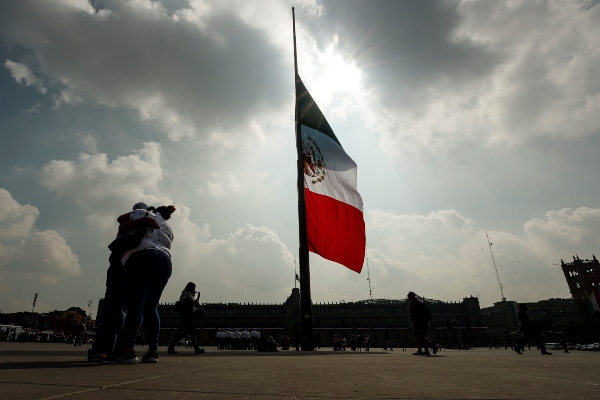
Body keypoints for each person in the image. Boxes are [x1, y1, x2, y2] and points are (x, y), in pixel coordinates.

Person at [104, 205, 176, 364]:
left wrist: (143, 218)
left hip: (141, 257)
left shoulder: (146, 213)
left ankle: (127, 350)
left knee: (135, 304)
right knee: (151, 307)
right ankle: (152, 352)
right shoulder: (169, 228)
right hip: (165, 261)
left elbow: (121, 221)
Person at [168, 282, 205, 355]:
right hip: (185, 316)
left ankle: (171, 347)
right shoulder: (185, 294)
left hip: (189, 316)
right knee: (185, 333)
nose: (194, 290)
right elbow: (183, 303)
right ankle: (196, 349)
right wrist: (193, 302)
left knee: (187, 333)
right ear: (190, 288)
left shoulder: (190, 295)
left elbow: (192, 309)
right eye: (193, 288)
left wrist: (198, 309)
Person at [408, 291, 437, 356]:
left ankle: (430, 347)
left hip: (418, 322)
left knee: (421, 336)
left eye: (408, 296)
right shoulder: (419, 302)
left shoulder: (414, 303)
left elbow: (414, 314)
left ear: (410, 296)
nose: (407, 297)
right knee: (419, 336)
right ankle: (421, 350)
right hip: (422, 321)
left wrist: (414, 321)